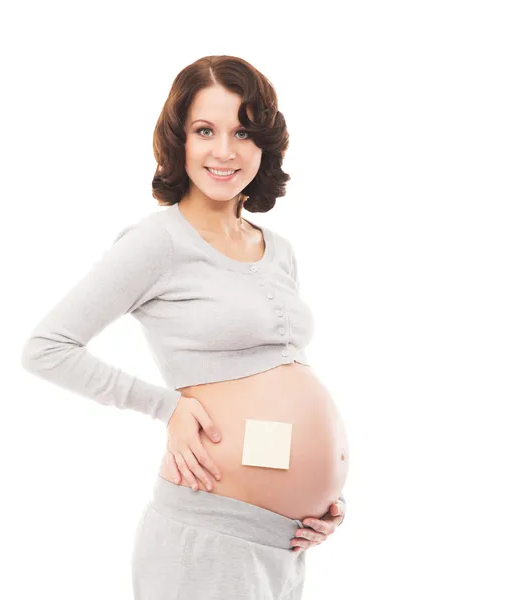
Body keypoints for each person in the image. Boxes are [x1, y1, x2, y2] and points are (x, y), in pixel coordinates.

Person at [20, 54, 349, 600]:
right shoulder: (157, 242)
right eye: (205, 130)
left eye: (242, 131)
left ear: (264, 142)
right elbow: (46, 348)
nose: (224, 151)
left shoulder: (279, 250)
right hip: (207, 536)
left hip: (286, 544)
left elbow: (284, 375)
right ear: (179, 141)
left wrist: (321, 495)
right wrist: (166, 407)